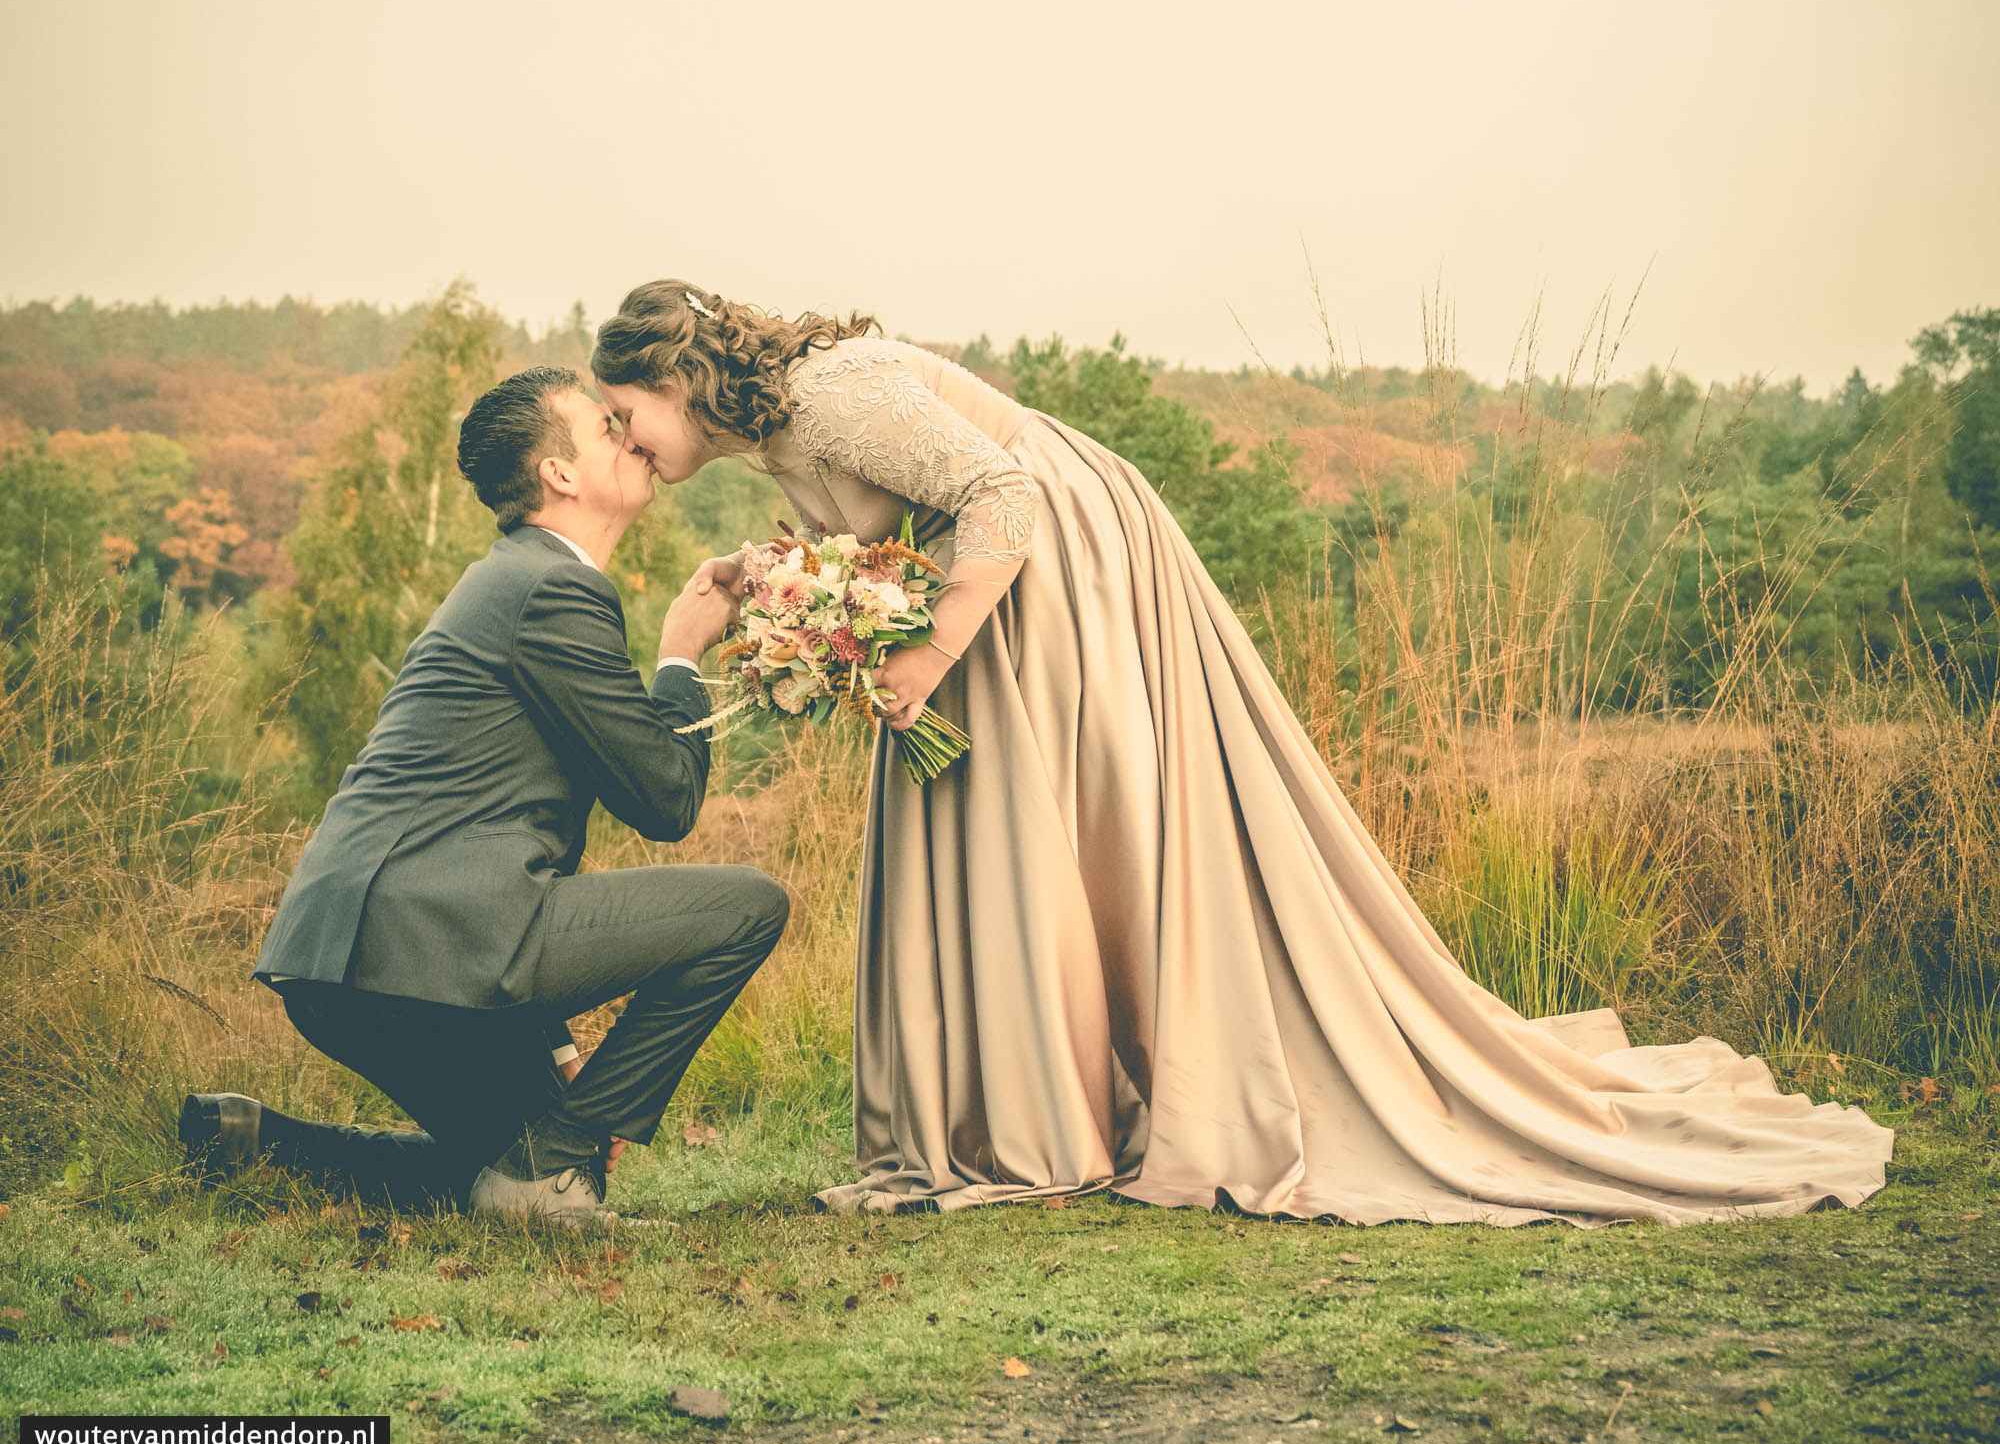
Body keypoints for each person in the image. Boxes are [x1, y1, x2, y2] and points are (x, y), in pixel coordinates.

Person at [593, 281, 1893, 1225]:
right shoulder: (780, 432)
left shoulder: (831, 391)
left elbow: (1005, 490)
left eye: (623, 409)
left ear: (675, 371)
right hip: (984, 584)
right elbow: (885, 540)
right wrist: (793, 591)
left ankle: (1054, 1112)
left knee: (1032, 812)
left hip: (1060, 561)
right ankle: (1004, 1113)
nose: (623, 440)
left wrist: (925, 655)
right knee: (966, 812)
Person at [179, 366, 786, 1224]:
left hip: (348, 956)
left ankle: (264, 1143)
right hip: (421, 943)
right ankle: (561, 1151)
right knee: (749, 907)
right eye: (608, 429)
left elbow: (488, 827)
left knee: (516, 1171)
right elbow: (666, 800)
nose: (634, 439)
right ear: (559, 474)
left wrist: (557, 1041)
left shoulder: (508, 580)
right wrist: (682, 656)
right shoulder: (555, 588)